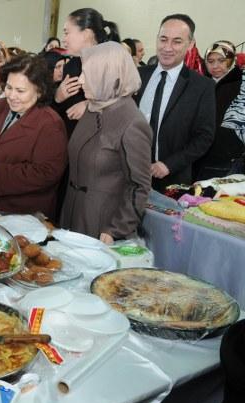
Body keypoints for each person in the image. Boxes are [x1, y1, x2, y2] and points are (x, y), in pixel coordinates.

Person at [61, 42, 152, 244]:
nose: (82, 80)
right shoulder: (93, 108)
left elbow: (139, 186)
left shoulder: (132, 123)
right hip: (73, 213)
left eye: (87, 73)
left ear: (108, 76)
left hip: (102, 224)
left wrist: (117, 228)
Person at [0, 54, 67, 220]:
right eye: (8, 87)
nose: (12, 96)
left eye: (20, 91)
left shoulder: (50, 124)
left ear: (39, 90)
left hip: (22, 215)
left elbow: (47, 173)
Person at [135, 14, 215, 190]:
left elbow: (204, 137)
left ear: (190, 44)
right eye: (163, 39)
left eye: (177, 41)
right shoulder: (138, 76)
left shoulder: (202, 86)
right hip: (130, 173)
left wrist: (169, 164)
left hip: (171, 181)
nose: (167, 48)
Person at [54, 7, 120, 136]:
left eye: (67, 33)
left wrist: (91, 106)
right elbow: (65, 112)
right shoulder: (71, 66)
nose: (63, 39)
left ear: (86, 34)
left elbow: (125, 104)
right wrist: (57, 97)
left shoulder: (113, 64)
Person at [194, 41, 244, 179]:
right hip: (202, 154)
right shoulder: (202, 84)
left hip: (230, 157)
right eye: (210, 61)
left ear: (231, 60)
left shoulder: (240, 85)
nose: (215, 66)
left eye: (221, 60)